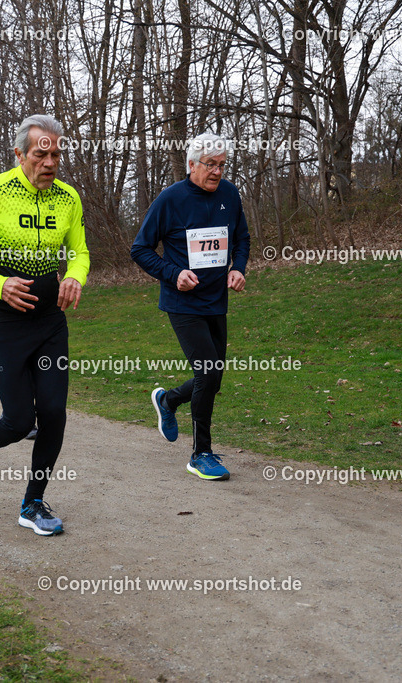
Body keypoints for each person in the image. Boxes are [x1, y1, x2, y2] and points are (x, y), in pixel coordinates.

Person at [0, 114, 90, 536]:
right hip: (2, 320)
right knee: (18, 419)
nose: (49, 162)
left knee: (53, 413)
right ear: (19, 154)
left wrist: (74, 277)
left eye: (56, 154)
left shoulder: (69, 198)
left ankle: (33, 504)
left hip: (48, 319)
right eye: (40, 154)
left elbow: (79, 252)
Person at [130, 133, 250, 481]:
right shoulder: (170, 199)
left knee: (213, 379)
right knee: (209, 373)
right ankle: (200, 454)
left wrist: (238, 268)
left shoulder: (229, 194)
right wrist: (173, 273)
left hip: (216, 300)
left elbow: (241, 238)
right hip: (183, 302)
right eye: (210, 165)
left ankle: (168, 401)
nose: (217, 172)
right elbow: (140, 249)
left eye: (222, 165)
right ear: (191, 165)